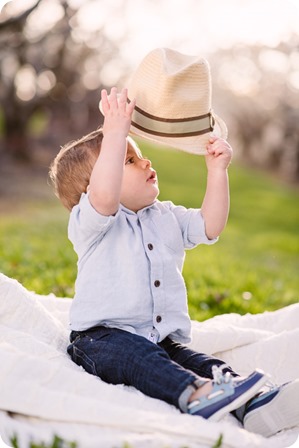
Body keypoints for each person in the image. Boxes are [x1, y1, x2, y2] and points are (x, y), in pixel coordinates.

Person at [49, 49, 299, 437]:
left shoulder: (163, 215)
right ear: (91, 185)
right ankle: (195, 395)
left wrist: (218, 172)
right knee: (140, 358)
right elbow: (104, 196)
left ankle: (253, 403)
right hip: (102, 340)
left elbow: (210, 226)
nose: (147, 163)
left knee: (195, 359)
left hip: (162, 339)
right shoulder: (91, 222)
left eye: (141, 156)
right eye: (130, 161)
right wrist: (116, 133)